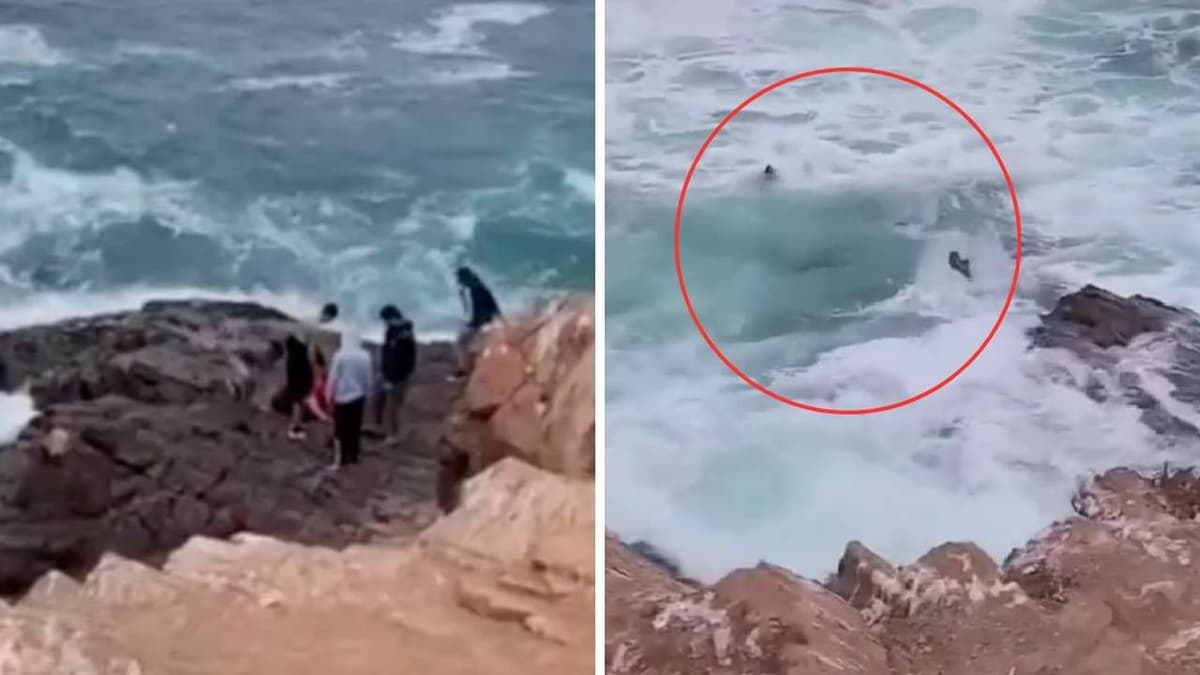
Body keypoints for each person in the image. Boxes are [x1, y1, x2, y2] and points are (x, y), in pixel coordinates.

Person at [325, 325, 373, 468]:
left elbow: (333, 377)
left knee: (340, 430)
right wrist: (368, 393)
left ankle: (340, 460)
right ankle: (354, 455)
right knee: (355, 428)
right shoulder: (365, 356)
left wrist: (328, 395)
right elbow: (368, 377)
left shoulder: (340, 355)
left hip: (342, 397)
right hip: (359, 397)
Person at [377, 304, 416, 441]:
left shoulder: (405, 335)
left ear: (393, 317)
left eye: (386, 320)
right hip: (388, 373)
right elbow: (387, 352)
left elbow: (401, 359)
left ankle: (394, 434)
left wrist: (391, 379)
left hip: (399, 376)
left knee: (394, 405)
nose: (385, 324)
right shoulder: (391, 331)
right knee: (380, 399)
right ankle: (381, 428)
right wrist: (383, 372)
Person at [454, 266, 501, 378]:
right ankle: (466, 368)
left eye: (460, 278)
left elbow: (493, 305)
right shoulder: (466, 290)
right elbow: (468, 308)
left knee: (464, 343)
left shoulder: (479, 288)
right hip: (473, 322)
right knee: (463, 343)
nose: (458, 281)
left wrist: (498, 319)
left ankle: (466, 370)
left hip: (481, 322)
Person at [284, 335, 314, 440]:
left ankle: (297, 424)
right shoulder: (300, 354)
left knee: (299, 402)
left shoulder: (292, 355)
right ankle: (294, 429)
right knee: (298, 402)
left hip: (297, 379)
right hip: (301, 379)